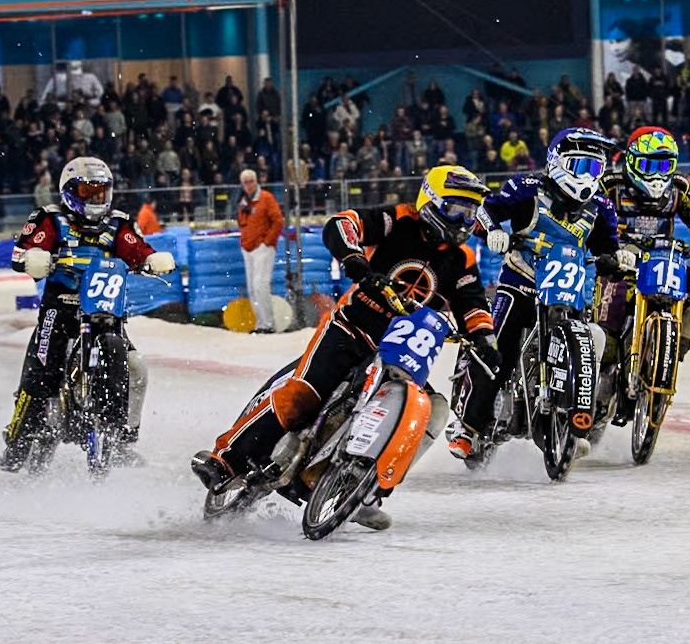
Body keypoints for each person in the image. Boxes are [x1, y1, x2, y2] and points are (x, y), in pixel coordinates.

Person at [192, 166, 499, 529]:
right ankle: (226, 458)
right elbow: (341, 224)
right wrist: (356, 262)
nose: (463, 221)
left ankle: (369, 491)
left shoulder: (462, 258)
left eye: (470, 212)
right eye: (456, 209)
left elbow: (472, 303)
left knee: (432, 411)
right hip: (351, 329)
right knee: (303, 396)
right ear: (430, 202)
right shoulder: (398, 220)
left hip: (401, 353)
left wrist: (484, 338)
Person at [448, 129, 620, 462]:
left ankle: (573, 423)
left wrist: (618, 257)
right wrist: (494, 232)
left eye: (595, 169)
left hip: (570, 294)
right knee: (497, 350)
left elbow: (608, 246)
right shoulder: (527, 188)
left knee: (595, 340)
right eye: (580, 166)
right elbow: (486, 211)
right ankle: (467, 427)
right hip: (521, 282)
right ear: (557, 163)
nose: (588, 178)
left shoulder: (601, 206)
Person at [0, 156, 177, 472]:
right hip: (61, 306)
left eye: (101, 192)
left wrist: (151, 260)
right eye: (88, 191)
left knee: (135, 367)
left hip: (104, 311)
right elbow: (20, 252)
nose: (96, 199)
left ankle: (123, 438)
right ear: (70, 192)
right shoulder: (50, 219)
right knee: (42, 371)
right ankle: (18, 439)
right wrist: (34, 259)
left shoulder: (119, 224)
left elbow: (138, 249)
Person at [598, 127, 690, 366]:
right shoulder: (609, 185)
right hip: (621, 266)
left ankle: (676, 350)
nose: (657, 175)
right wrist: (607, 247)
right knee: (607, 348)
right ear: (632, 161)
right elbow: (586, 216)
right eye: (649, 166)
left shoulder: (678, 189)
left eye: (664, 167)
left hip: (664, 264)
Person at [237, 169, 284, 334]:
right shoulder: (244, 202)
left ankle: (268, 323)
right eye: (245, 182)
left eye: (251, 181)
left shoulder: (266, 198)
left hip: (262, 247)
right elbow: (242, 223)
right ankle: (260, 323)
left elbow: (278, 220)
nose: (249, 185)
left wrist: (268, 241)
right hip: (248, 248)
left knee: (260, 284)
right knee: (252, 286)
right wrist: (244, 242)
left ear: (256, 181)